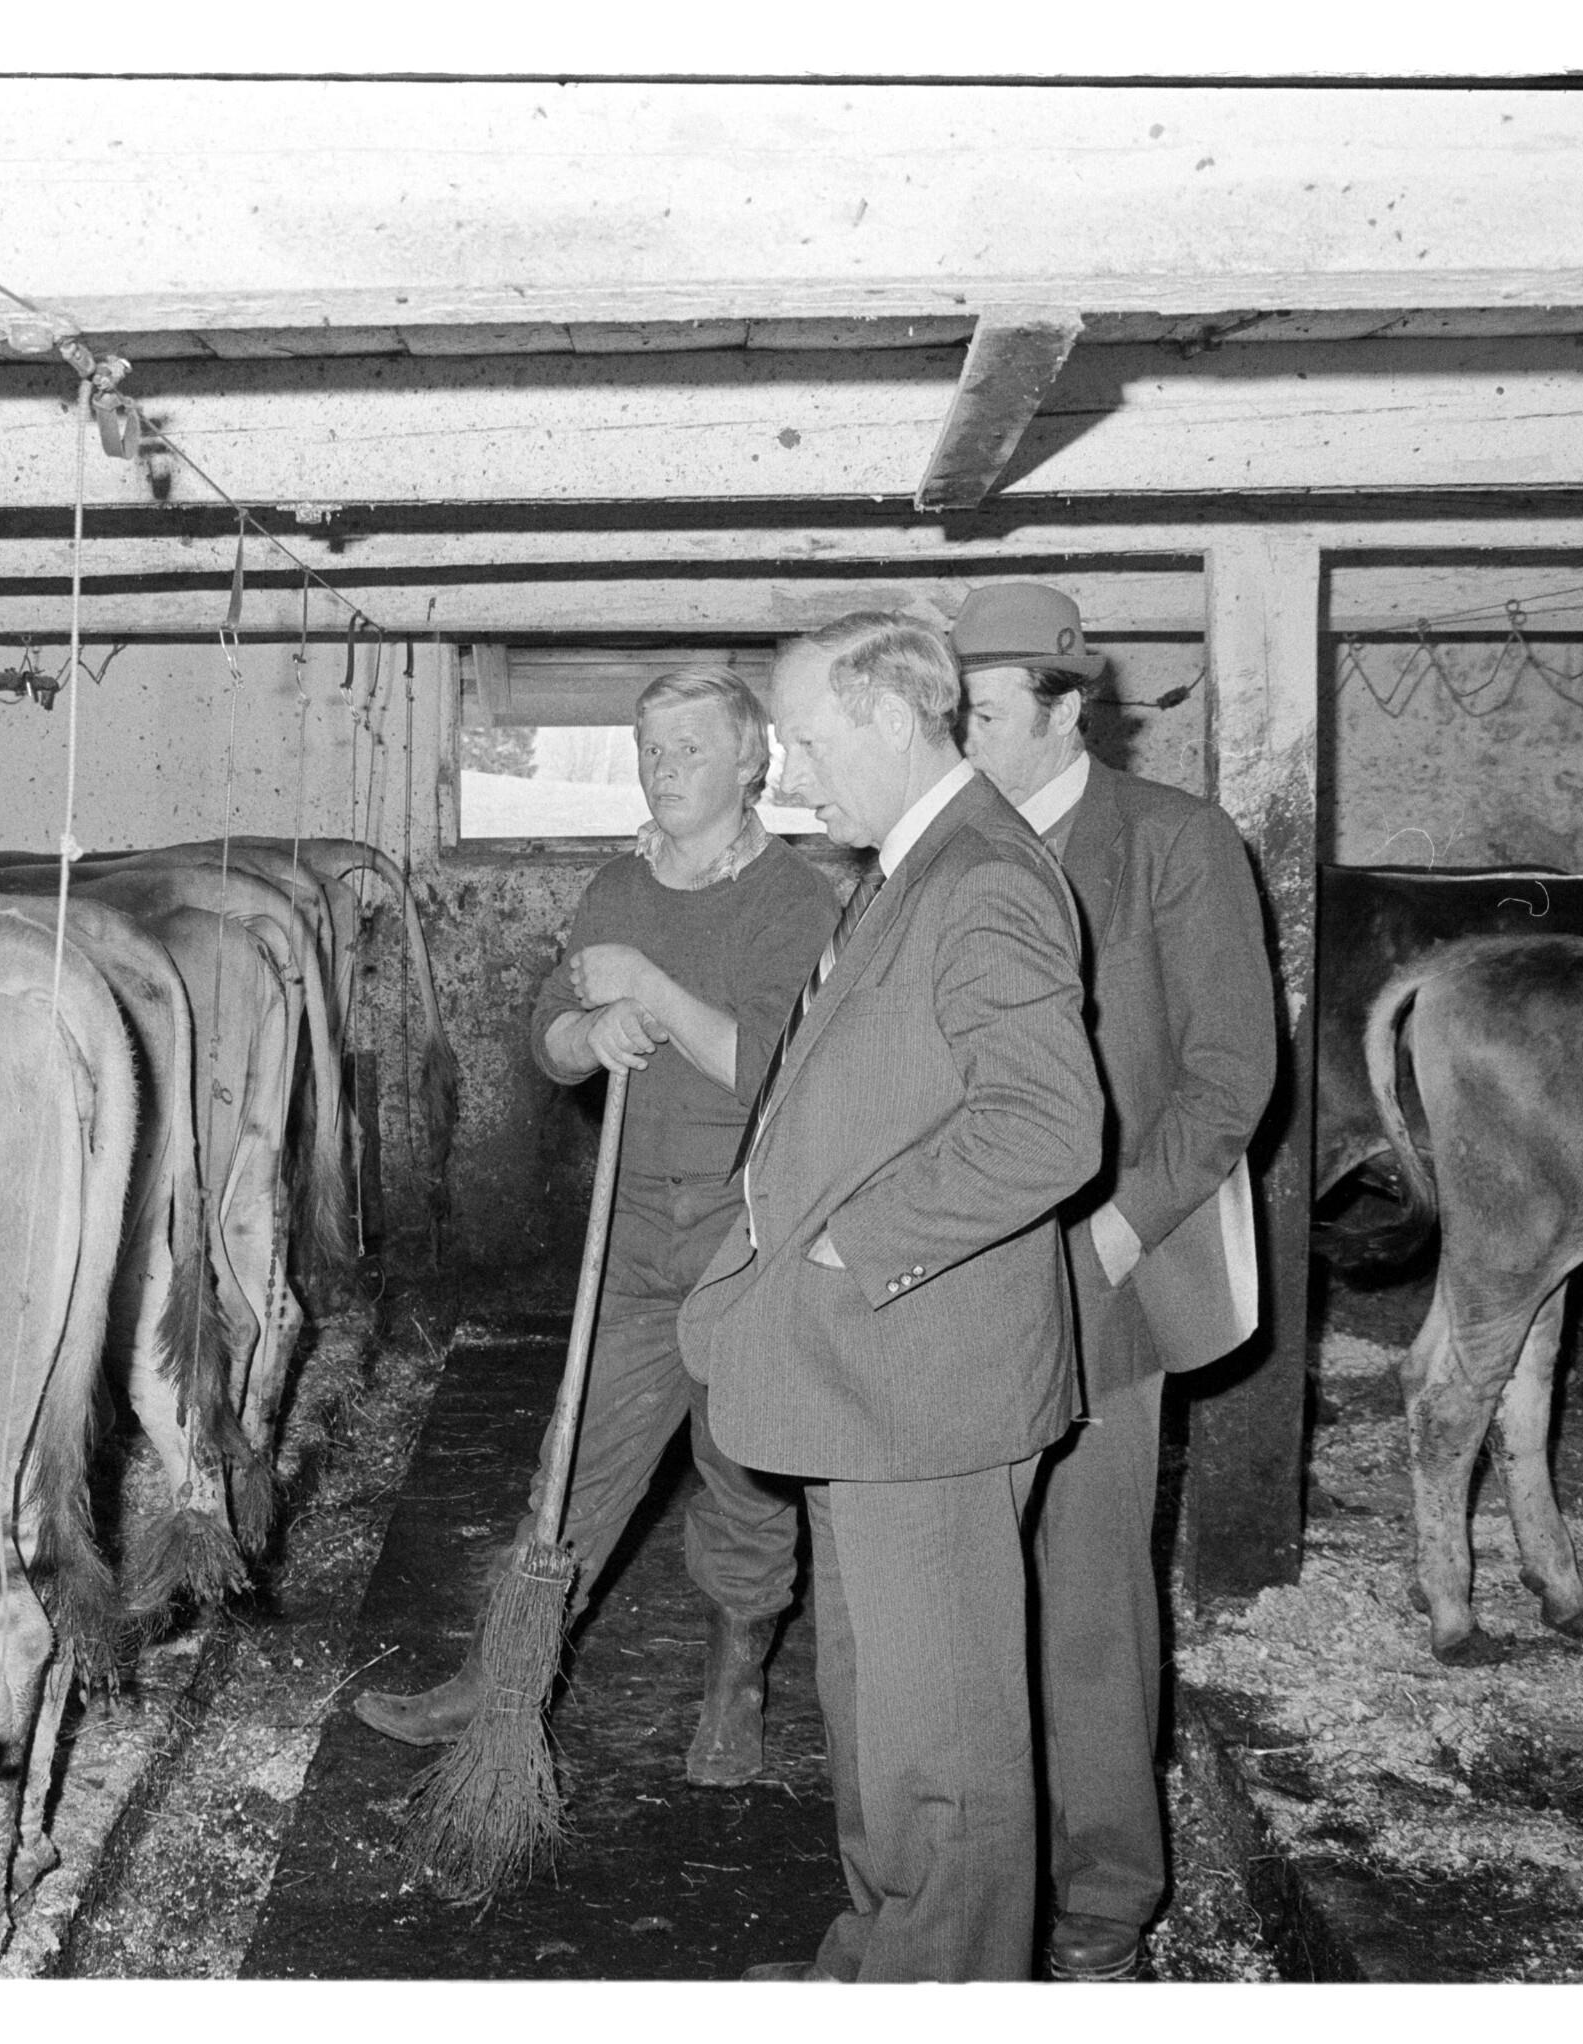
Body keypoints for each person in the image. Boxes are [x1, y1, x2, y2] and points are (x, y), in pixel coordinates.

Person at [682, 612, 1102, 1982]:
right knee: (876, 1709)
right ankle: (880, 1957)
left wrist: (854, 1243)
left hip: (927, 1380)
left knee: (945, 1748)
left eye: (806, 741)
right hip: (864, 1379)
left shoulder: (981, 874)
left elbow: (1048, 1126)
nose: (790, 775)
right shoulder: (908, 868)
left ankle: (946, 1980)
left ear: (885, 714)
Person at [353, 667, 836, 1783]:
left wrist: (651, 992)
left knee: (745, 1470)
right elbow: (548, 1036)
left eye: (690, 747)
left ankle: (735, 1685)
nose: (663, 768)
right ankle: (498, 1679)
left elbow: (775, 1070)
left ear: (752, 761)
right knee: (574, 1461)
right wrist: (590, 1029)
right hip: (634, 1224)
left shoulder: (796, 903)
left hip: (746, 1230)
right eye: (649, 747)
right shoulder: (617, 886)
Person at [952, 582, 1278, 1982]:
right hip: (956, 1266)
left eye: (981, 712)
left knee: (1085, 1583)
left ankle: (1104, 1892)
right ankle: (975, 1875)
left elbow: (1230, 1075)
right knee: (959, 1582)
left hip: (1100, 1266)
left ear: (1066, 706)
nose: (961, 738)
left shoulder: (1173, 842)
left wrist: (1118, 1232)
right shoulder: (940, 847)